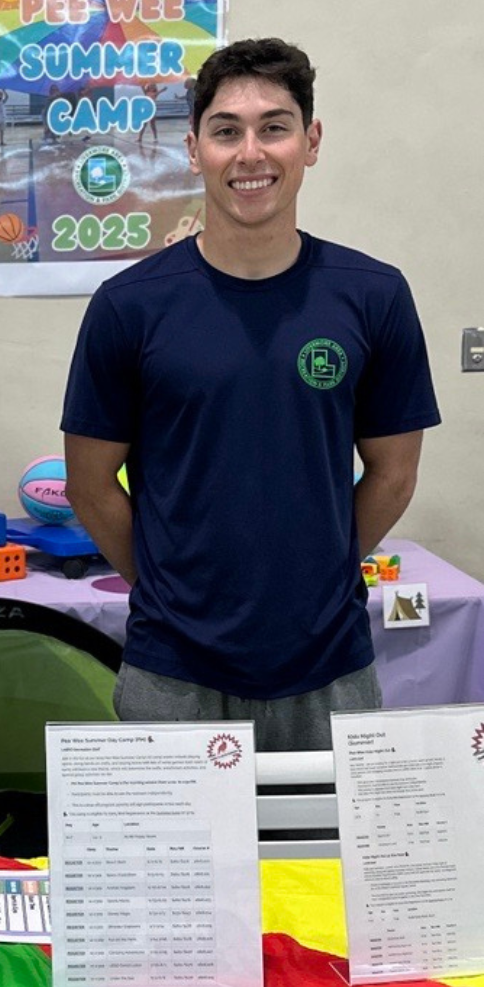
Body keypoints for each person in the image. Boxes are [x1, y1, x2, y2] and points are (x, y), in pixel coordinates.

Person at [60, 39, 440, 751]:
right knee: (175, 868)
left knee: (325, 864)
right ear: (193, 147)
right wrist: (171, 586)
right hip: (170, 671)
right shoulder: (128, 307)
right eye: (226, 131)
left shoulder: (373, 296)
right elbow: (88, 485)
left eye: (275, 126)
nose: (251, 153)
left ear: (311, 141)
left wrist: (319, 573)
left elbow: (394, 473)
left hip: (329, 664)